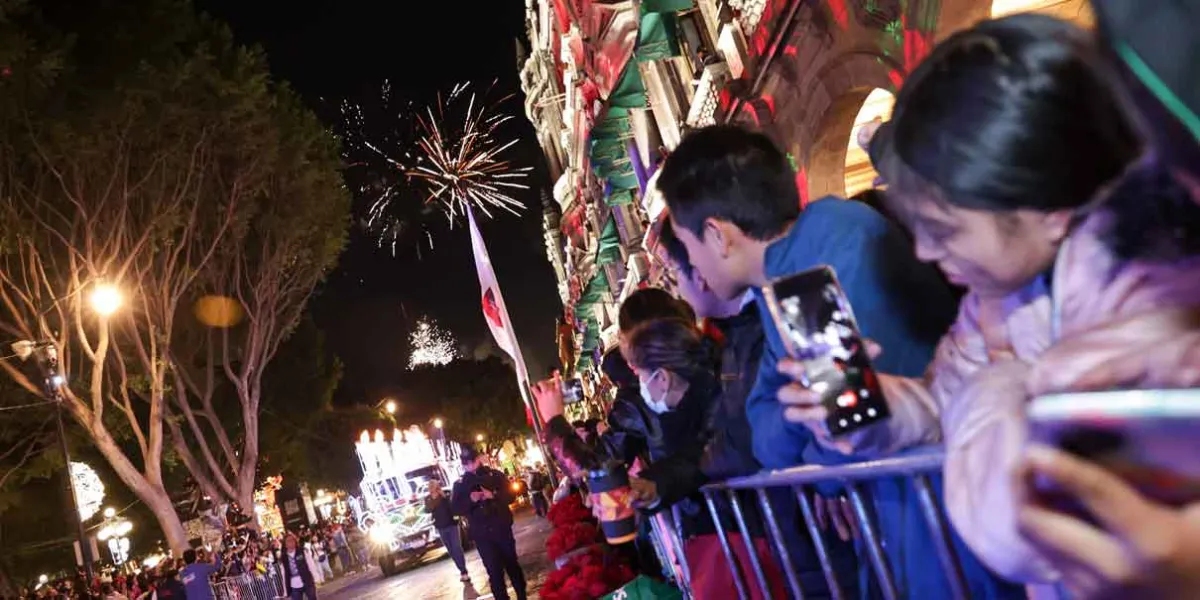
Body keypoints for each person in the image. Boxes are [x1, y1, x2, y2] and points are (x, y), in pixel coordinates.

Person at [778, 11, 1200, 594]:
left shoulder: (1158, 291)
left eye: (945, 229)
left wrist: (1001, 383)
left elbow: (1030, 522)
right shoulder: (999, 297)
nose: (924, 252)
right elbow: (943, 403)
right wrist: (882, 409)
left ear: (1048, 210)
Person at [659, 125, 1019, 598]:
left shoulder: (818, 267)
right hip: (921, 507)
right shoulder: (787, 278)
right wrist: (816, 448)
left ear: (717, 234)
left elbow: (844, 416)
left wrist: (823, 469)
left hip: (947, 515)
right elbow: (765, 429)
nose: (693, 272)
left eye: (686, 250)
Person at [451, 446, 526, 600]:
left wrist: (493, 495)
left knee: (512, 564)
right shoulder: (460, 484)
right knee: (493, 571)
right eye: (466, 463)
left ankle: (522, 595)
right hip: (481, 534)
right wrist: (471, 500)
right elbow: (455, 508)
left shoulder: (495, 475)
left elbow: (511, 495)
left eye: (472, 461)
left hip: (501, 528)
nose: (470, 466)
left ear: (478, 459)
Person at [426, 479, 470, 582]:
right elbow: (428, 509)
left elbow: (452, 506)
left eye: (434, 485)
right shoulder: (428, 499)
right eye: (431, 486)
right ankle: (461, 569)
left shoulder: (445, 494)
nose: (433, 487)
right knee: (451, 551)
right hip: (441, 527)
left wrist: (443, 496)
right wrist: (433, 499)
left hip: (452, 525)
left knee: (457, 548)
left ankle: (464, 571)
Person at [280, 533, 319, 600]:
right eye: (288, 541)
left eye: (292, 540)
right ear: (285, 544)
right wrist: (285, 590)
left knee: (312, 598)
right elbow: (284, 574)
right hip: (294, 585)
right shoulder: (284, 558)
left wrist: (316, 578)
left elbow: (311, 564)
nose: (291, 542)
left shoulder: (302, 551)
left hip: (307, 581)